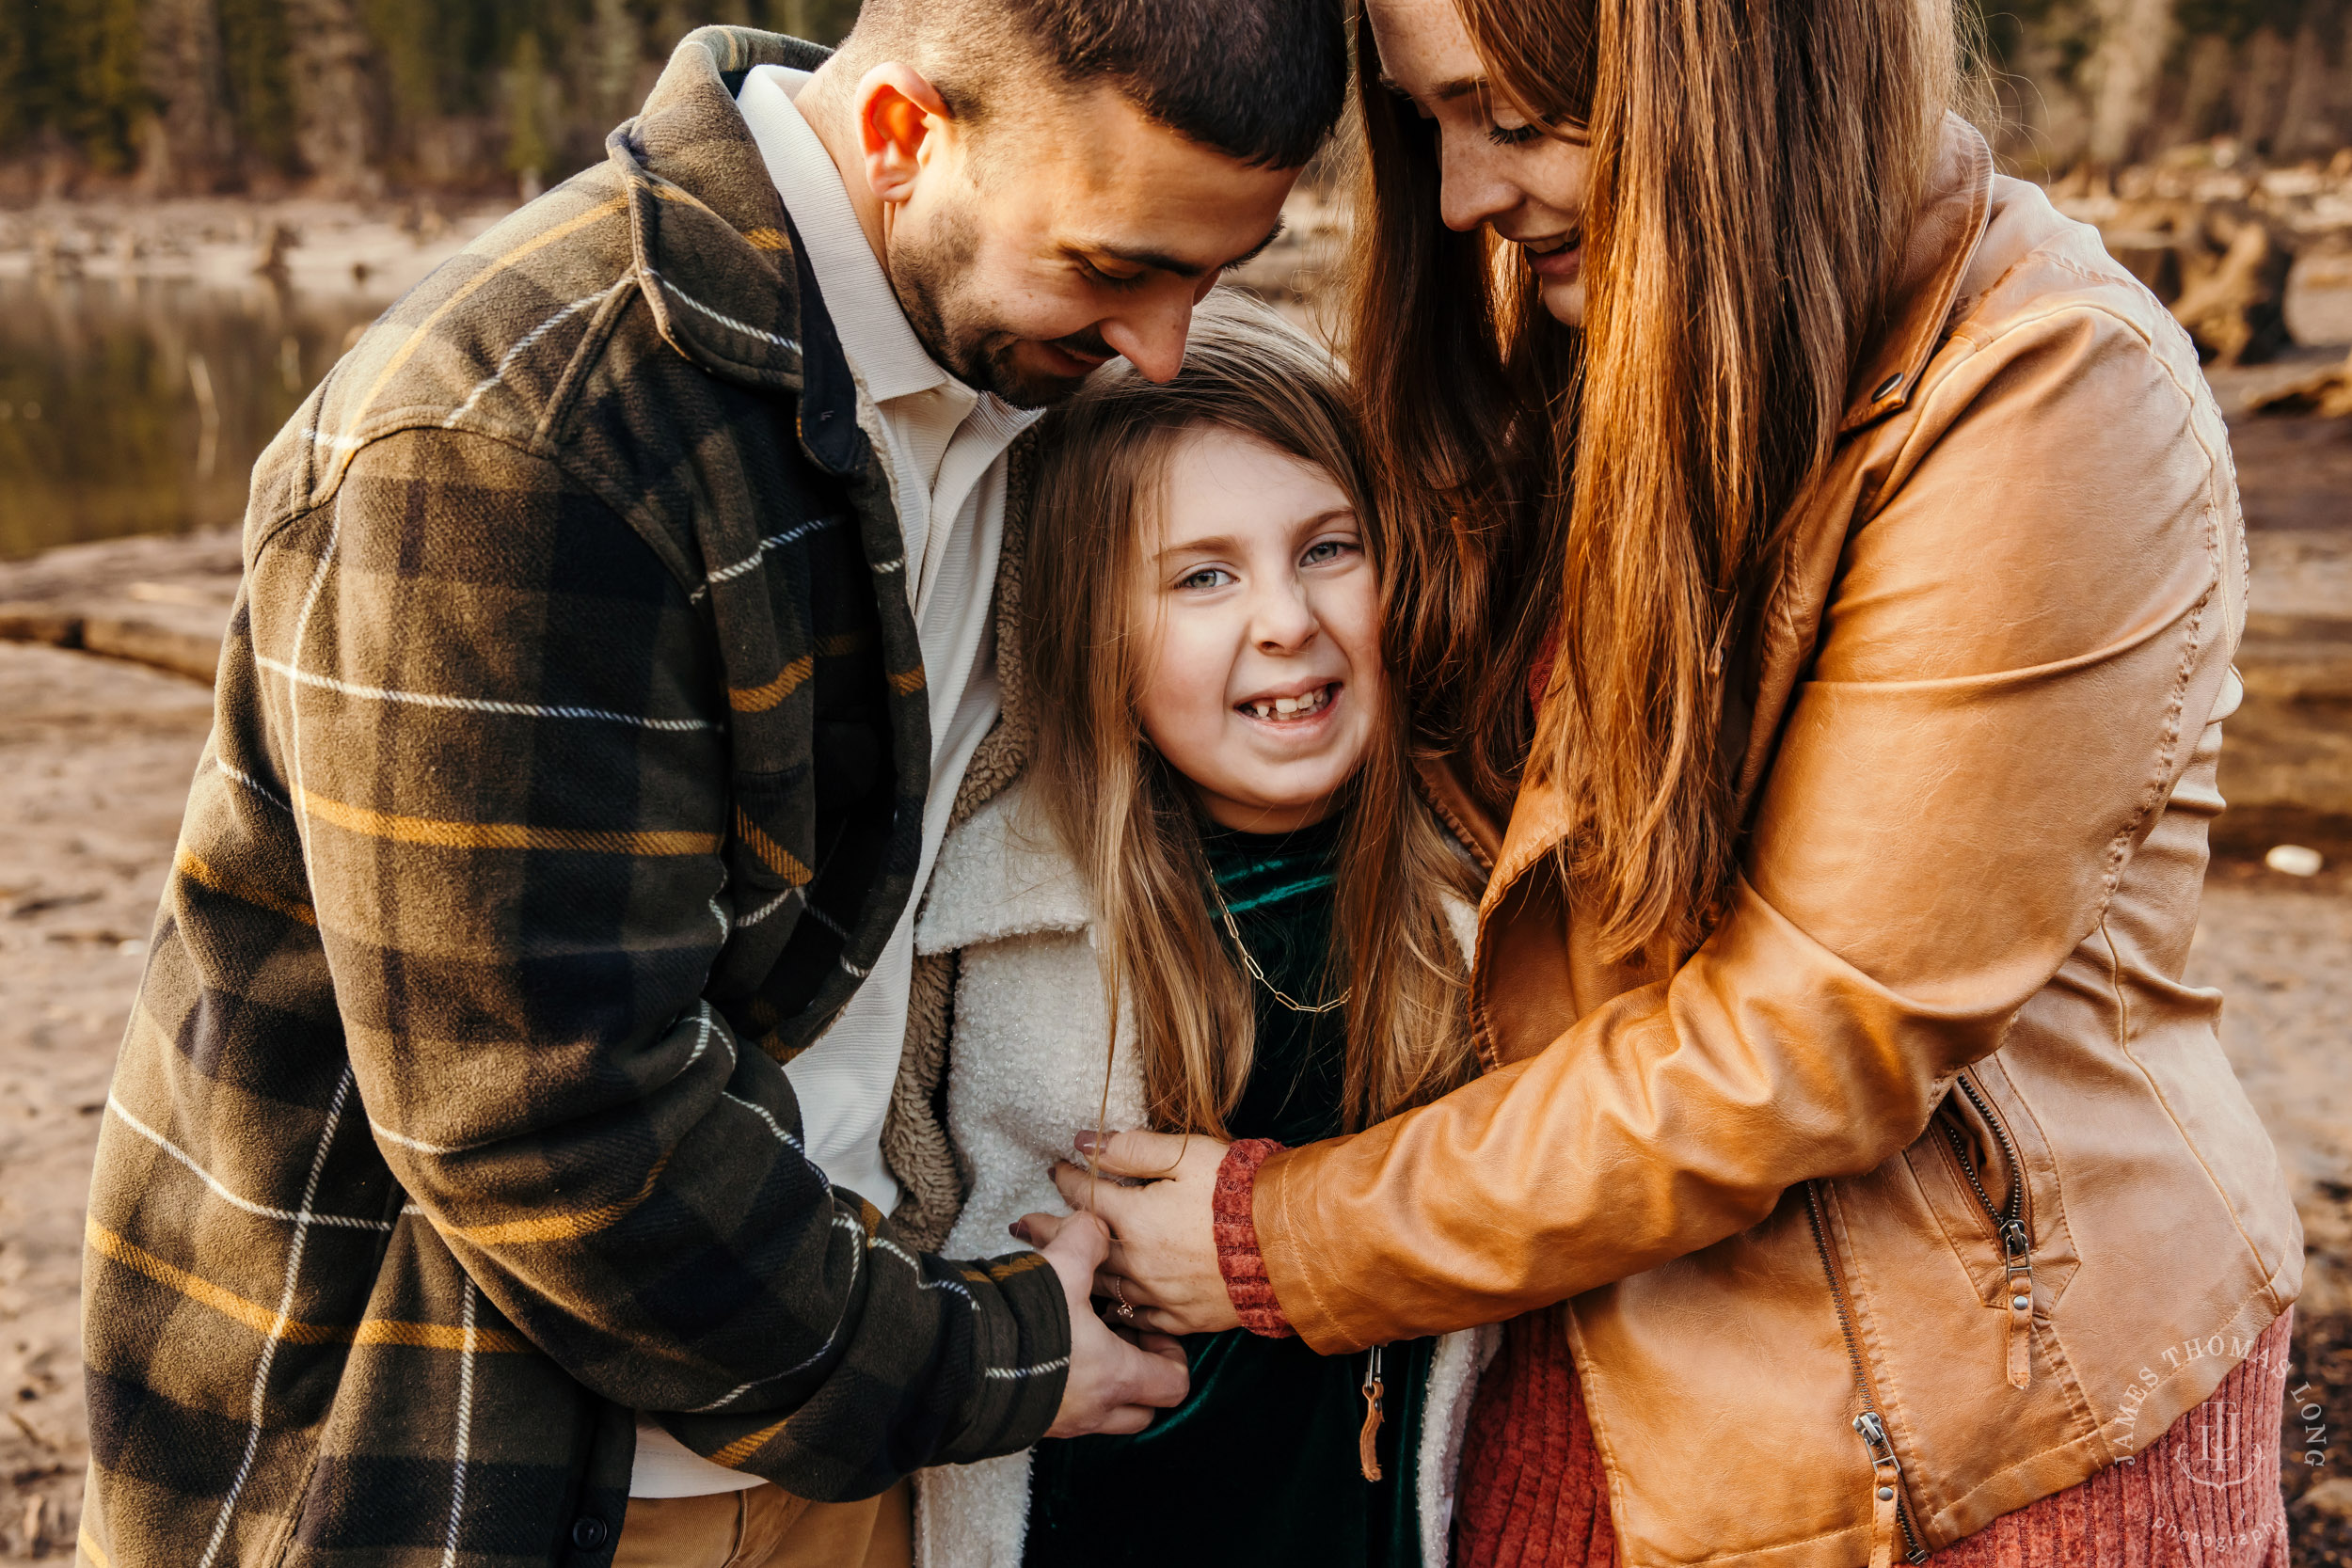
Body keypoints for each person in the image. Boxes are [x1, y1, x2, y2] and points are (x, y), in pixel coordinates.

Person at [75, 5, 1346, 1564]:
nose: (1156, 346)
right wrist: (987, 1361)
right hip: (503, 1470)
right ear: (898, 138)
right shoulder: (516, 444)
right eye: (1111, 269)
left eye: (1209, 277)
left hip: (859, 1451)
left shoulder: (1001, 376)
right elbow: (539, 1123)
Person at [1051, 2, 2305, 1565]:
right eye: (1429, 122)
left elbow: (1808, 1039)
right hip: (1548, 1367)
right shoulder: (1581, 313)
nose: (1455, 196)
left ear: (1711, 79)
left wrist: (1277, 1239)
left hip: (1933, 1442)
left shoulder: (2044, 390)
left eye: (1509, 119)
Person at [901, 293, 1490, 1568]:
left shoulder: (1479, 901)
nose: (1285, 617)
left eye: (1330, 549)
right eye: (1205, 576)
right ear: (1095, 632)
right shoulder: (1008, 919)